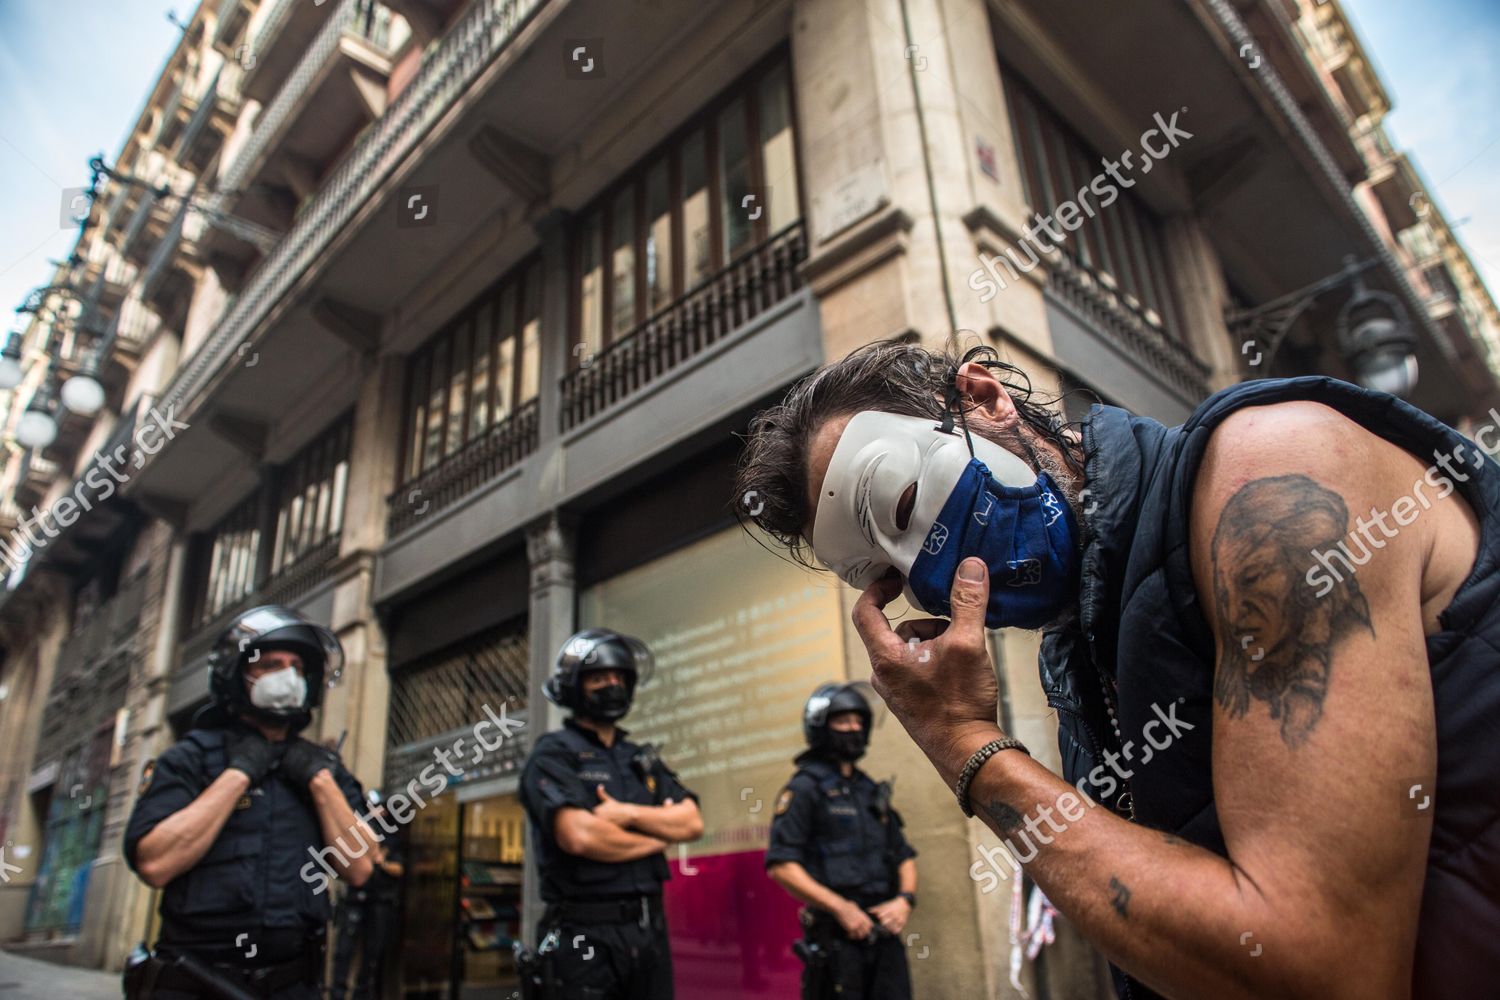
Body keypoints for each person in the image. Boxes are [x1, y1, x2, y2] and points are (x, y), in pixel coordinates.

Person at [733, 340, 1500, 999]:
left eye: (900, 504)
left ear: (983, 396)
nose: (921, 573)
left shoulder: (1271, 471)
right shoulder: (1083, 649)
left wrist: (968, 746)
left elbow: (1324, 971)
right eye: (882, 571)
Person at [123, 605, 374, 999]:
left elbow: (359, 867)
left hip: (291, 985)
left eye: (297, 666)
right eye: (271, 664)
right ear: (236, 675)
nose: (287, 676)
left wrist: (320, 780)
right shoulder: (189, 757)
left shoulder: (322, 769)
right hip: (197, 983)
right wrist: (239, 773)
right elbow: (155, 864)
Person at [518, 628, 704, 1000]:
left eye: (620, 677)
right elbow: (580, 836)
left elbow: (691, 822)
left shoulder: (640, 758)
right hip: (584, 936)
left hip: (649, 928)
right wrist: (660, 835)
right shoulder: (553, 753)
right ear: (573, 685)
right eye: (599, 678)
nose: (612, 685)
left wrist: (625, 813)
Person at [766, 682, 917, 1000]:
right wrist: (841, 908)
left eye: (858, 721)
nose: (854, 728)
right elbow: (782, 866)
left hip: (884, 937)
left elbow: (903, 854)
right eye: (842, 721)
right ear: (820, 726)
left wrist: (904, 900)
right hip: (836, 938)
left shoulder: (870, 790)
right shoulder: (805, 789)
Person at [330, 794, 404, 1000]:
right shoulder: (358, 834)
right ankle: (337, 993)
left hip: (379, 901)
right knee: (343, 952)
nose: (376, 813)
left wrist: (381, 861)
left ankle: (361, 994)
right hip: (355, 899)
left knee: (372, 953)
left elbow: (399, 868)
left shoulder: (392, 838)